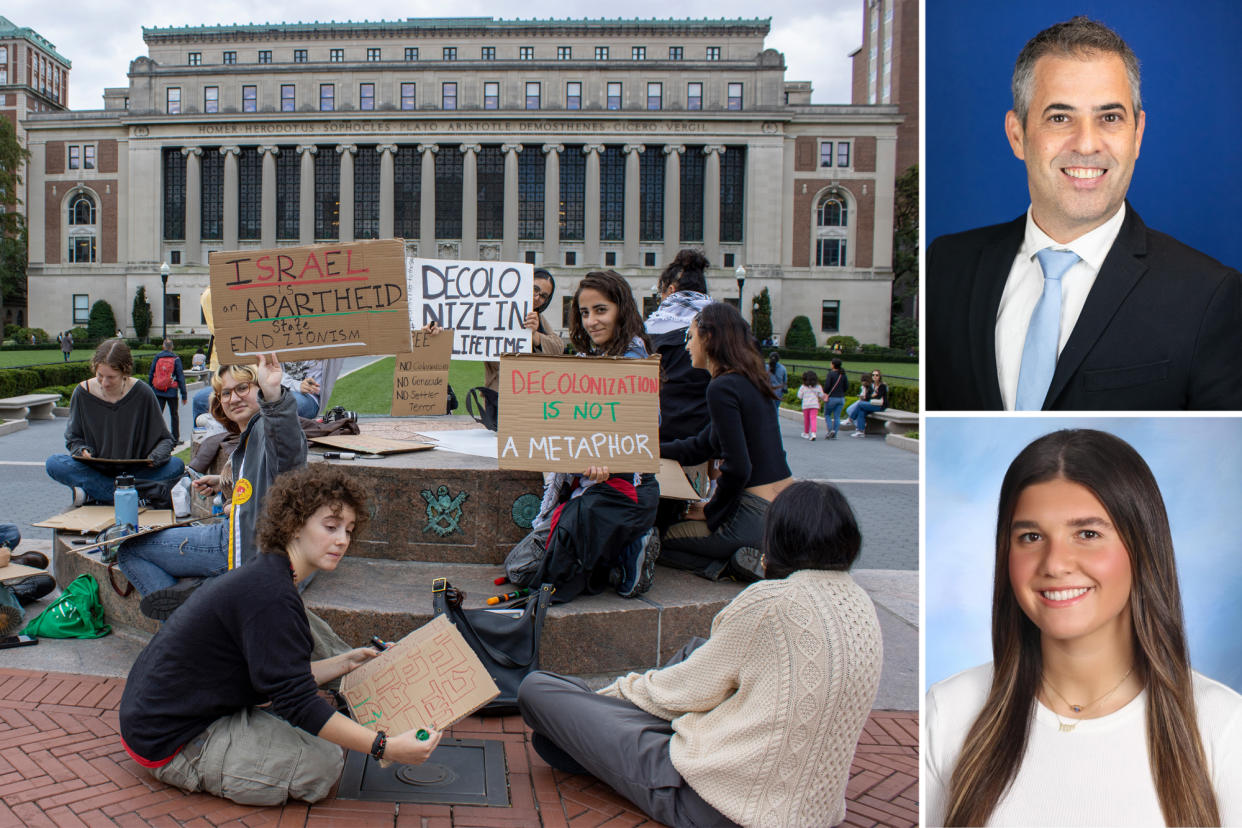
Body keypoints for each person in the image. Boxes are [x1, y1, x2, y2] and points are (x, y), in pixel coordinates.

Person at [518, 481, 883, 827]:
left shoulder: (773, 603)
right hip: (809, 811)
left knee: (538, 690)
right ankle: (595, 731)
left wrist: (594, 706)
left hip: (715, 802)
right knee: (698, 650)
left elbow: (681, 692)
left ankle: (592, 725)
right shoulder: (860, 604)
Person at [924, 430, 1242, 826]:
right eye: (1031, 536)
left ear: (1142, 546)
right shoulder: (950, 711)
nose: (1055, 563)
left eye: (1087, 534)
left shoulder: (1224, 727)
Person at [926, 17, 1242, 411]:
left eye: (1110, 118)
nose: (1087, 144)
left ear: (1137, 135)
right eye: (1060, 118)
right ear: (1017, 135)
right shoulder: (945, 265)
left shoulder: (1211, 295)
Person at [118, 464, 442, 806]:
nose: (342, 540)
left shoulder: (271, 575)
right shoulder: (270, 595)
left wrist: (350, 660)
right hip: (171, 740)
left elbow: (285, 678)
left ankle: (287, 722)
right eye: (331, 527)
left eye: (349, 530)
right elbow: (296, 700)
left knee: (307, 640)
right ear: (295, 524)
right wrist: (385, 747)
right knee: (322, 765)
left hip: (174, 706)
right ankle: (213, 757)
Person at [117, 355, 306, 620]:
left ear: (259, 389)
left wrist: (275, 396)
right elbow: (263, 479)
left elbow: (288, 457)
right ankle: (203, 592)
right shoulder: (251, 433)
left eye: (242, 388)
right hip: (255, 543)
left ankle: (186, 623)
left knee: (130, 550)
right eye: (225, 393)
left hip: (242, 546)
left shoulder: (267, 426)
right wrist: (222, 483)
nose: (233, 398)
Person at [508, 270, 658, 602]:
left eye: (600, 310)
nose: (591, 321)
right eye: (585, 312)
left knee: (529, 573)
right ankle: (617, 552)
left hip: (622, 492)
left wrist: (613, 461)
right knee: (519, 568)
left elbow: (647, 424)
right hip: (586, 488)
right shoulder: (587, 359)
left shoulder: (636, 359)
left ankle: (629, 545)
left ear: (621, 309)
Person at [660, 303, 794, 582]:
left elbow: (738, 467)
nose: (687, 346)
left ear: (708, 338)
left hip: (754, 515)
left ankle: (731, 565)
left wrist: (711, 511)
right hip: (785, 512)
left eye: (690, 336)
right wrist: (649, 449)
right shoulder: (752, 380)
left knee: (660, 543)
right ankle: (744, 559)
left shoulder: (721, 387)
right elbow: (701, 445)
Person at [45, 339, 184, 506]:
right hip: (96, 471)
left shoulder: (143, 393)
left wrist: (155, 457)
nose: (104, 383)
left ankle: (96, 493)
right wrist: (82, 450)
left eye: (111, 377)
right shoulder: (81, 393)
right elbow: (73, 438)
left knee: (176, 465)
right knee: (54, 463)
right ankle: (131, 494)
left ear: (125, 373)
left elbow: (166, 439)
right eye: (100, 376)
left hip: (135, 472)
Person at [644, 249, 713, 443]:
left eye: (661, 293)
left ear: (671, 290)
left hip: (661, 435)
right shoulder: (725, 328)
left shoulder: (652, 330)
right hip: (707, 437)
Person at [483, 267, 566, 392]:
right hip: (499, 391)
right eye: (535, 289)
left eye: (543, 296)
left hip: (533, 390)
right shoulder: (497, 312)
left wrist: (535, 335)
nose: (537, 298)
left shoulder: (538, 319)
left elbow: (558, 348)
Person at [147, 338, 188, 444]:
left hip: (158, 391)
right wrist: (184, 395)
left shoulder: (157, 357)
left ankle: (156, 437)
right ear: (172, 347)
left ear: (163, 346)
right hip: (171, 392)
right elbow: (180, 377)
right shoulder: (176, 359)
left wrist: (151, 388)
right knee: (174, 415)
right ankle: (175, 438)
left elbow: (151, 374)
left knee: (157, 415)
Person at [846, 369, 887, 438]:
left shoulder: (882, 385)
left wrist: (871, 395)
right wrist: (871, 395)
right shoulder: (872, 386)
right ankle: (860, 431)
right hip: (872, 404)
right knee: (861, 411)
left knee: (860, 404)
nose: (875, 376)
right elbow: (868, 397)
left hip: (880, 406)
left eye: (877, 375)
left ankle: (850, 419)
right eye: (873, 375)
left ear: (880, 376)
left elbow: (878, 396)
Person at [796, 370, 826, 441]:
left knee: (806, 419)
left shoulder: (803, 387)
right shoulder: (818, 386)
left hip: (806, 405)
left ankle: (806, 433)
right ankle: (813, 433)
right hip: (814, 405)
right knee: (813, 419)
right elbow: (822, 395)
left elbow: (799, 396)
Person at [823, 358, 849, 439]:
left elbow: (827, 386)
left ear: (833, 365)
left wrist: (825, 393)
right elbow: (846, 386)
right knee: (837, 416)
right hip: (841, 398)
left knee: (827, 414)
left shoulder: (830, 374)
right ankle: (835, 432)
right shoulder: (843, 374)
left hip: (832, 398)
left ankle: (830, 430)